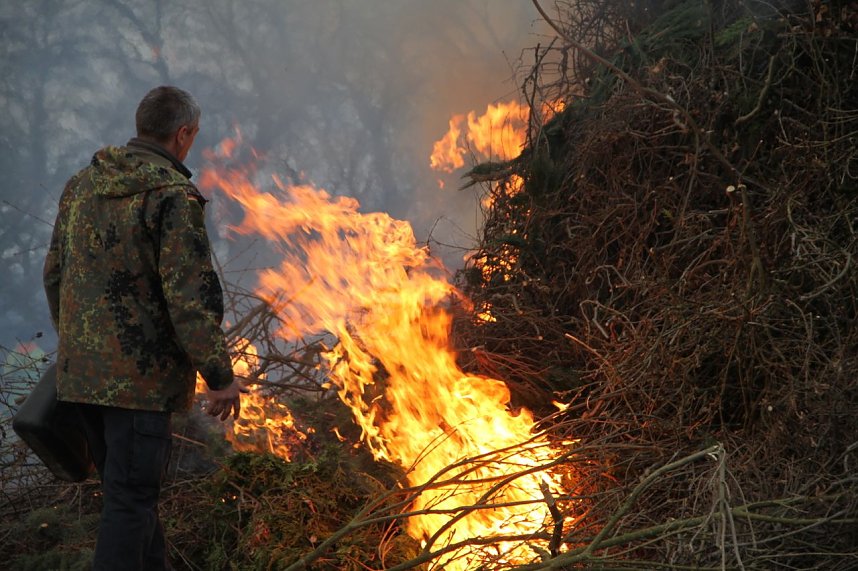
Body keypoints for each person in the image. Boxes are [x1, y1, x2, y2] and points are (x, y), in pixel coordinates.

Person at [43, 85, 244, 571]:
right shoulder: (173, 197)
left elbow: (54, 274)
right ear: (182, 135)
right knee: (130, 502)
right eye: (192, 136)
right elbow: (189, 301)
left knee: (128, 497)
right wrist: (219, 376)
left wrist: (79, 349)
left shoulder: (81, 186)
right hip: (139, 388)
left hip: (82, 379)